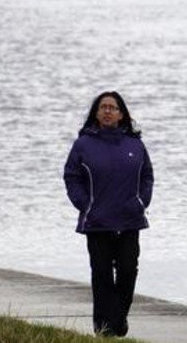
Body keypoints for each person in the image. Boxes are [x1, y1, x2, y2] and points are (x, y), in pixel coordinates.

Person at [63, 91, 153, 337]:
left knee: (127, 271)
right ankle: (104, 329)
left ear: (122, 114)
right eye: (102, 107)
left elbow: (147, 176)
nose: (107, 111)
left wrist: (141, 202)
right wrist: (84, 203)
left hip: (129, 219)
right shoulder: (84, 144)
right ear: (96, 113)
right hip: (97, 221)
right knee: (101, 274)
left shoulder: (135, 144)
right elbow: (71, 176)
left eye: (113, 107)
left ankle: (117, 319)